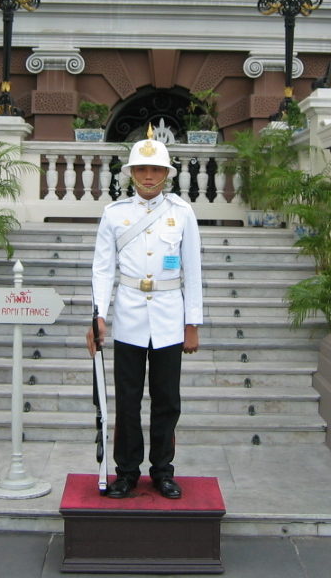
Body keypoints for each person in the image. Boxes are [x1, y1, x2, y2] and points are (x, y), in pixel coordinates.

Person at [86, 130, 203, 499]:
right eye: (141, 170)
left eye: (155, 170)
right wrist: (98, 315)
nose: (148, 177)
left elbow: (193, 270)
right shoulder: (114, 214)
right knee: (127, 400)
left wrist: (192, 323)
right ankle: (127, 472)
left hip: (170, 317)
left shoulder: (182, 214)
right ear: (131, 173)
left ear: (166, 174)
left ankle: (163, 471)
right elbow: (102, 269)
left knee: (167, 399)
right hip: (130, 316)